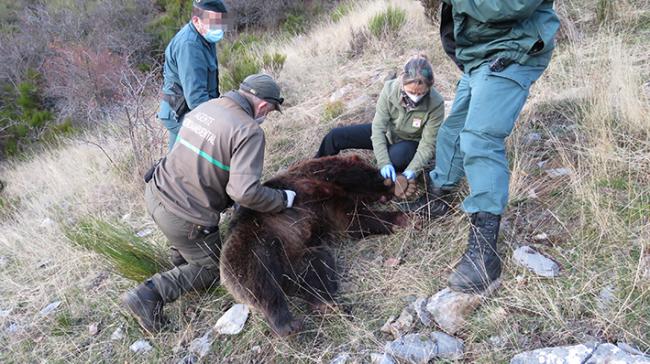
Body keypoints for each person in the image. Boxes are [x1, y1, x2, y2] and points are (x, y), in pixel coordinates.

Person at [122, 73, 296, 333]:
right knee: (218, 269)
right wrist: (281, 200)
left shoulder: (207, 107)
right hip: (184, 216)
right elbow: (244, 192)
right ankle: (150, 295)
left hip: (155, 192)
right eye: (270, 110)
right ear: (263, 106)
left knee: (186, 241)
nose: (267, 116)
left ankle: (182, 260)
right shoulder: (249, 131)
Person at [407, 0, 560, 293]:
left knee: (480, 138)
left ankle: (484, 251)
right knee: (453, 132)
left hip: (513, 51)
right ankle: (438, 195)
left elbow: (512, 6)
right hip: (480, 58)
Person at [315, 54, 445, 183]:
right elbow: (377, 129)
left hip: (409, 143)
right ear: (402, 81)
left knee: (397, 157)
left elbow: (427, 144)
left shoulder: (436, 103)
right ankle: (312, 169)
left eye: (421, 93)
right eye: (411, 92)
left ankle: (389, 174)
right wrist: (383, 162)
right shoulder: (389, 90)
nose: (415, 97)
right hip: (389, 134)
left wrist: (413, 170)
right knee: (335, 136)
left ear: (429, 87)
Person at [158, 0, 228, 150]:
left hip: (185, 109)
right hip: (180, 113)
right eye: (214, 23)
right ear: (196, 20)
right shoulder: (190, 45)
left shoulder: (204, 36)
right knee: (212, 146)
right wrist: (217, 123)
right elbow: (196, 98)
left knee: (175, 161)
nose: (219, 28)